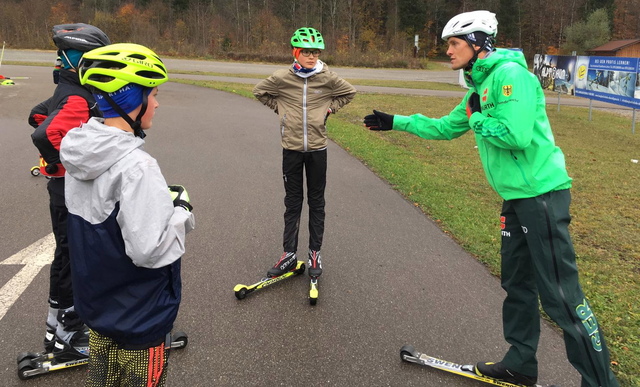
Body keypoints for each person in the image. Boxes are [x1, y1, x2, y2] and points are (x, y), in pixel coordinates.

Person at [363, 10, 619, 387]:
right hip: (515, 200)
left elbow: (515, 135)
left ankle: (601, 383)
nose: (447, 51)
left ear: (478, 44)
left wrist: (478, 119)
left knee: (562, 296)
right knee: (517, 285)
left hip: (542, 195)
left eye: (453, 44)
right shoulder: (477, 88)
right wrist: (396, 121)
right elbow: (446, 127)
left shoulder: (511, 76)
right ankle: (520, 364)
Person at [59, 43, 195, 386]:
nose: (158, 103)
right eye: (154, 93)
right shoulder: (138, 167)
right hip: (140, 316)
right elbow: (149, 250)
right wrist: (181, 210)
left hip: (98, 307)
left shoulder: (77, 150)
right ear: (132, 99)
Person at [29, 23, 110, 360]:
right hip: (69, 189)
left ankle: (55, 327)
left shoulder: (66, 89)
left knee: (64, 258)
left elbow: (37, 115)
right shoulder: (79, 95)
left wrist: (62, 148)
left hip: (58, 187)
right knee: (77, 260)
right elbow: (45, 134)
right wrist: (71, 163)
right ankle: (71, 336)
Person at [253, 27, 356, 279]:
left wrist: (329, 110)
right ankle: (288, 254)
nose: (312, 57)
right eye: (307, 52)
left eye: (316, 52)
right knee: (293, 203)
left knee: (317, 202)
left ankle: (314, 253)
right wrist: (281, 110)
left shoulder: (328, 78)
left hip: (317, 150)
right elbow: (259, 91)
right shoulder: (282, 78)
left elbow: (349, 93)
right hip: (291, 149)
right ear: (296, 52)